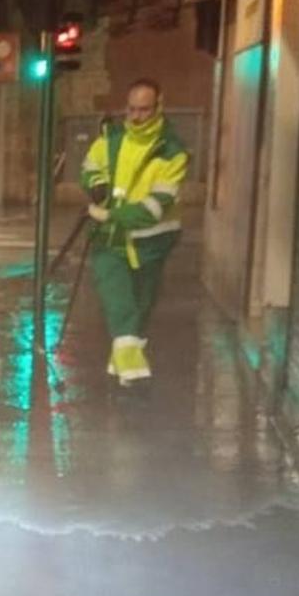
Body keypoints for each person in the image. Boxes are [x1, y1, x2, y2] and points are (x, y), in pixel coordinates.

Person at [80, 79, 189, 386]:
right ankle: (135, 379)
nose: (137, 116)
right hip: (109, 241)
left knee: (140, 311)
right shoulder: (110, 140)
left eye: (144, 109)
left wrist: (110, 214)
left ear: (158, 107)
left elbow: (155, 206)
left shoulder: (172, 153)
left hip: (151, 245)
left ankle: (123, 371)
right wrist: (95, 183)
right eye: (132, 109)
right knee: (120, 307)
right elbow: (89, 166)